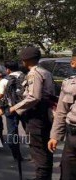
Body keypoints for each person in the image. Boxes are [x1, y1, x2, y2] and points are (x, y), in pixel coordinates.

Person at [6, 47, 55, 180]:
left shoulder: (34, 73)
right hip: (44, 114)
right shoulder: (46, 72)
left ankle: (41, 177)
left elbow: (34, 97)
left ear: (26, 60)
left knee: (38, 151)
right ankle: (44, 176)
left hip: (37, 116)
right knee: (45, 150)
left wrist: (15, 108)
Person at [48, 48, 76, 179]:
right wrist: (55, 136)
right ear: (73, 63)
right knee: (67, 173)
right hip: (72, 138)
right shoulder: (69, 83)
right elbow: (61, 112)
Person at [0, 61, 27, 162]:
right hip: (25, 108)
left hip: (11, 109)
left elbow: (0, 96)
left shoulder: (4, 81)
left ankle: (17, 156)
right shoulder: (26, 77)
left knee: (12, 133)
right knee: (30, 131)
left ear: (8, 69)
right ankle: (37, 153)